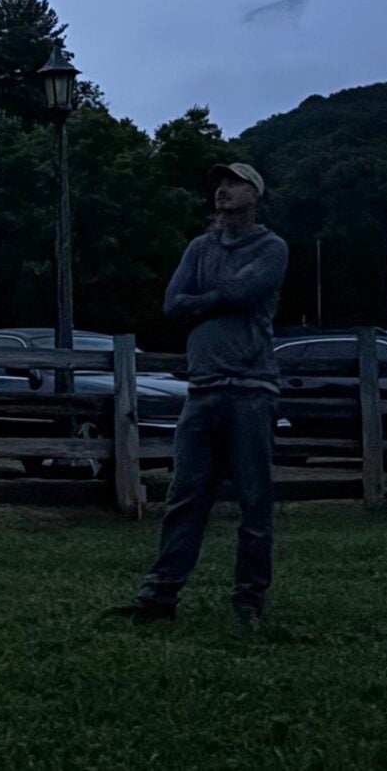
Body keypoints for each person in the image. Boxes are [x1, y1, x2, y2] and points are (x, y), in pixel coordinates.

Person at [114, 160, 289, 626]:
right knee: (185, 496)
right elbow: (173, 304)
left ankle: (248, 602)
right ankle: (159, 597)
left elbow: (245, 291)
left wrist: (205, 299)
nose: (223, 191)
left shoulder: (273, 248)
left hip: (251, 388)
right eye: (220, 183)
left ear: (256, 194)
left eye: (235, 183)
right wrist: (219, 296)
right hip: (203, 387)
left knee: (255, 498)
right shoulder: (198, 247)